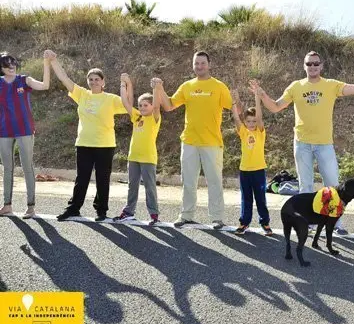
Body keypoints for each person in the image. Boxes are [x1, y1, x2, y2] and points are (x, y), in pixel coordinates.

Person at [257, 51, 354, 235]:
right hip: (302, 143)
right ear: (304, 66)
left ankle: (336, 223)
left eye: (316, 64)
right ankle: (309, 223)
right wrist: (262, 94)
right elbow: (275, 106)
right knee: (306, 186)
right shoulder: (296, 86)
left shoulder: (331, 85)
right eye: (309, 64)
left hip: (324, 144)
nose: (312, 67)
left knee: (332, 185)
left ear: (321, 66)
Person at [154, 51, 233, 229]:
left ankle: (217, 218)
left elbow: (233, 106)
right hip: (189, 141)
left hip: (212, 143)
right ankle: (186, 215)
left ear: (209, 65)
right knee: (188, 181)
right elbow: (169, 105)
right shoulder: (187, 86)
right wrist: (159, 89)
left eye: (203, 63)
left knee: (214, 182)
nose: (199, 66)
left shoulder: (219, 86)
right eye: (196, 63)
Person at [50, 51, 128, 221]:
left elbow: (128, 105)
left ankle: (101, 211)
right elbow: (64, 79)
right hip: (84, 144)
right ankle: (73, 208)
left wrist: (127, 84)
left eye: (97, 79)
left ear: (103, 82)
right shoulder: (82, 94)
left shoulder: (111, 99)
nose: (94, 82)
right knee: (82, 178)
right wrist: (53, 61)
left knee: (102, 179)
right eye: (91, 79)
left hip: (105, 145)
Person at [0, 51, 50, 218]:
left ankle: (31, 207)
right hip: (4, 131)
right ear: (2, 68)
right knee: (7, 168)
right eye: (7, 64)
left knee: (27, 167)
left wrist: (46, 63)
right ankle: (7, 205)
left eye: (13, 63)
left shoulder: (24, 80)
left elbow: (45, 85)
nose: (11, 67)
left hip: (25, 130)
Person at [112, 74, 162, 226]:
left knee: (149, 187)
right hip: (133, 157)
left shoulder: (154, 118)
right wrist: (125, 83)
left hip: (148, 158)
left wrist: (156, 88)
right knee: (132, 186)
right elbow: (126, 102)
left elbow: (158, 104)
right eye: (140, 105)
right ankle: (128, 212)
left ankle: (154, 214)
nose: (142, 108)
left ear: (152, 106)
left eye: (145, 105)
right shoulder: (137, 117)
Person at [230, 85, 272, 236]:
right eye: (249, 121)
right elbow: (236, 118)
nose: (252, 124)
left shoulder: (261, 133)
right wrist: (234, 102)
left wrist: (257, 97)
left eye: (254, 121)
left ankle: (265, 223)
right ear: (246, 122)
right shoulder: (243, 132)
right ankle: (244, 223)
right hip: (245, 171)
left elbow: (260, 117)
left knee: (261, 198)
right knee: (246, 198)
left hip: (259, 170)